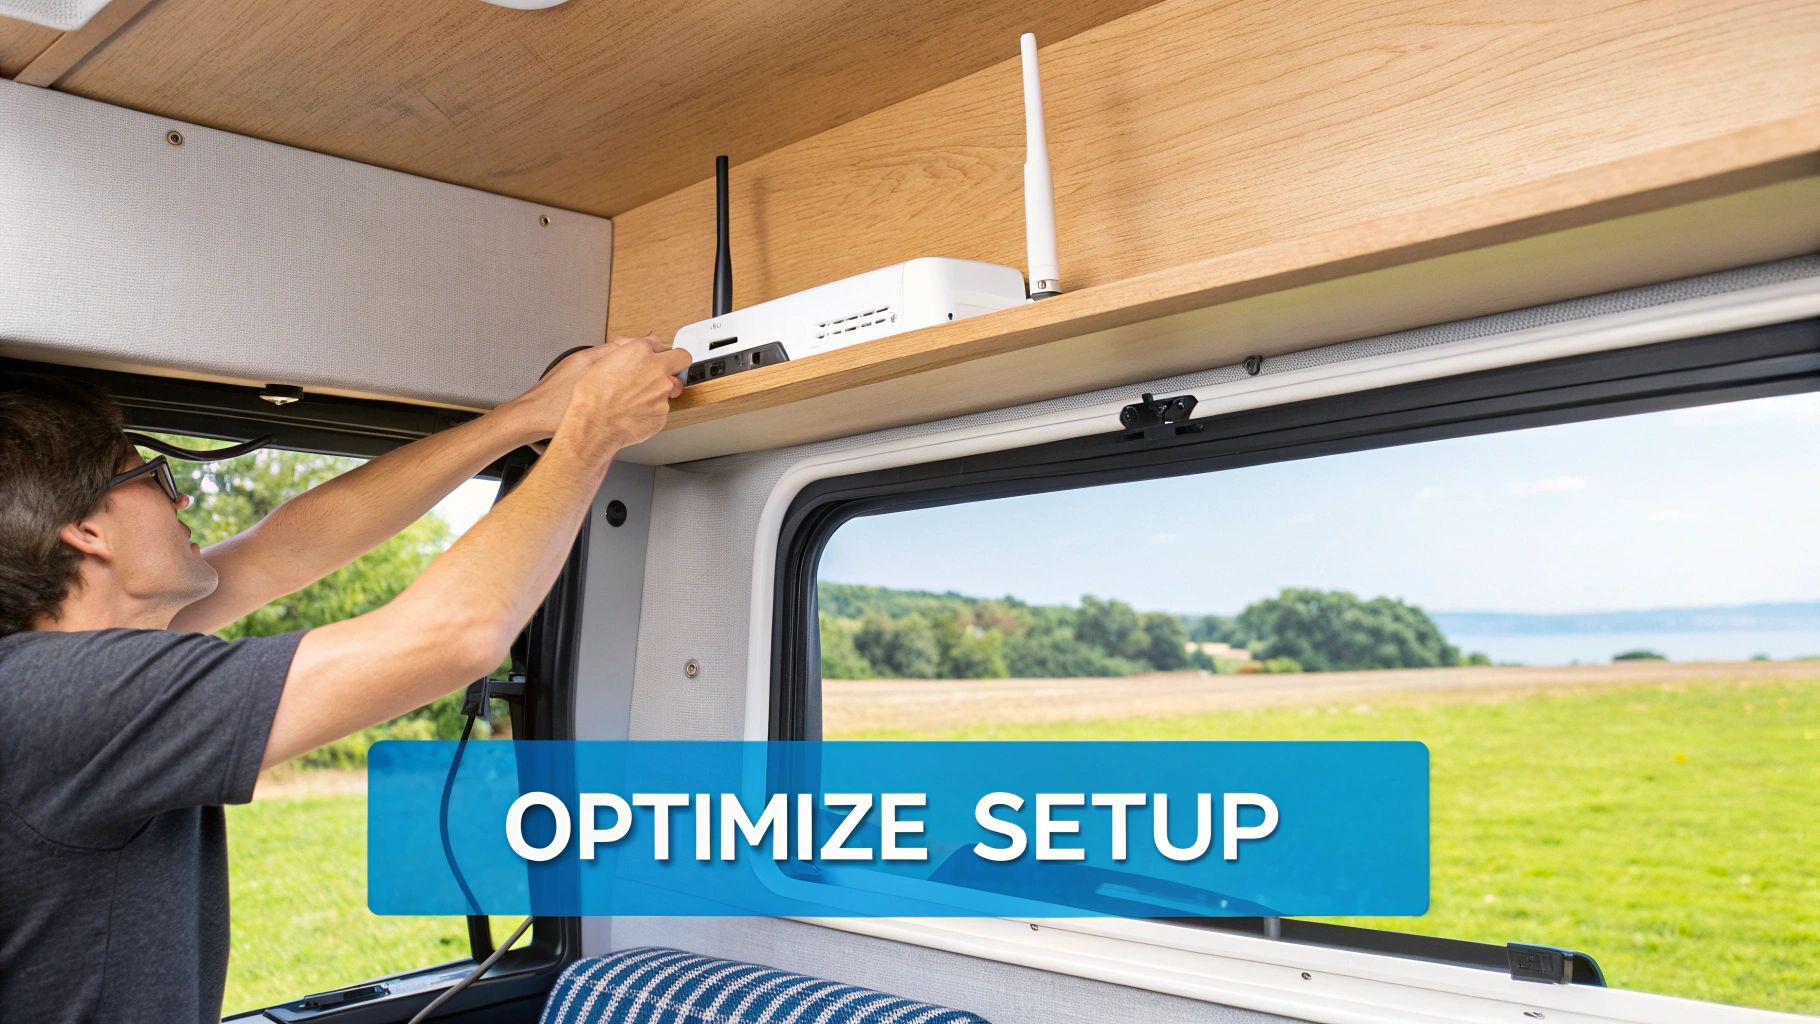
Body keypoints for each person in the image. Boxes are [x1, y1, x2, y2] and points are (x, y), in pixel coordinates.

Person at [0, 336, 692, 1023]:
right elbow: (456, 636)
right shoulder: (64, 698)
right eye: (153, 478)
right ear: (86, 530)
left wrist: (525, 416)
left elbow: (285, 550)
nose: (178, 500)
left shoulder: (56, 669)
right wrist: (591, 437)